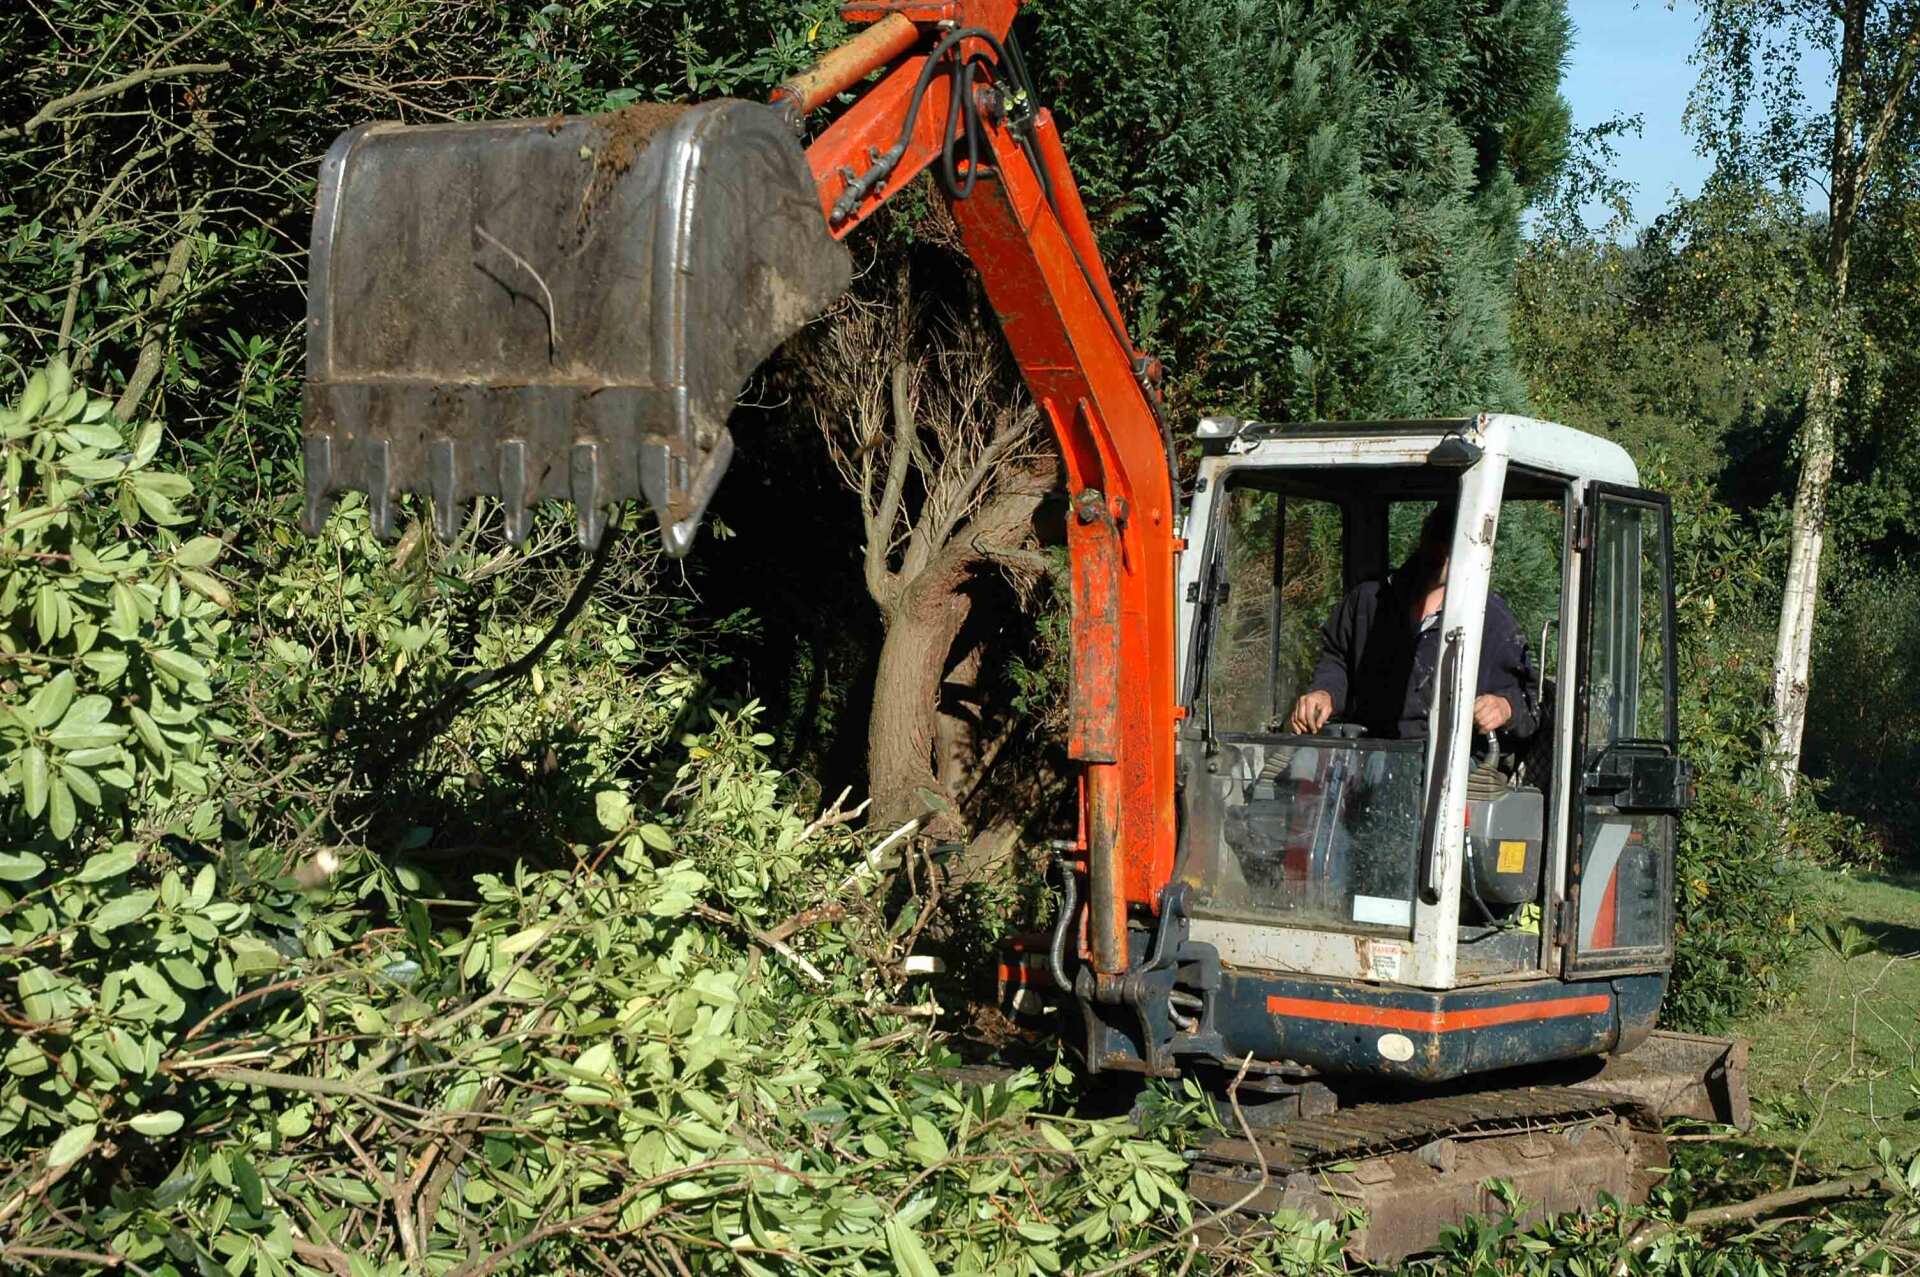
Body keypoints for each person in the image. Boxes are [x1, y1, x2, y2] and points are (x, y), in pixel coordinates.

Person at [1288, 503, 1536, 741]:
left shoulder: (1490, 618)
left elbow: (1531, 702)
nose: (1441, 550)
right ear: (1423, 536)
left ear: (1472, 547)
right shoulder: (1369, 601)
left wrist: (1505, 707)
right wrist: (1325, 692)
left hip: (1448, 767)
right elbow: (1337, 658)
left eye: (1452, 541)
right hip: (1365, 752)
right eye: (1436, 537)